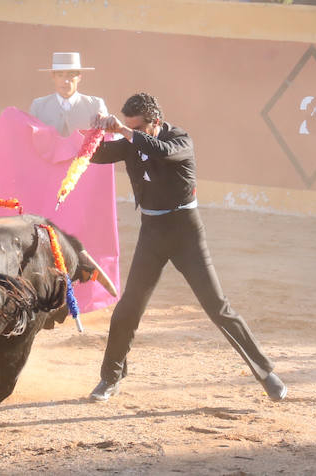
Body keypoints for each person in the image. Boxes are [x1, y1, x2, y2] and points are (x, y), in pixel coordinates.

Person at [87, 92, 286, 404]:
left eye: (138, 128)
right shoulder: (133, 141)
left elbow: (161, 151)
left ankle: (265, 372)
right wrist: (91, 127)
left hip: (185, 233)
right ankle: (110, 378)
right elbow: (96, 154)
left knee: (216, 306)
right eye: (129, 127)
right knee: (129, 307)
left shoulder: (179, 140)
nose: (132, 132)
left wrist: (126, 132)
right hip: (152, 233)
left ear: (157, 123)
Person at [29, 52, 106, 135]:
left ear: (79, 77)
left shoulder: (94, 105)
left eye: (70, 75)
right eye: (60, 75)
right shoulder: (39, 106)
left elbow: (105, 137)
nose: (65, 81)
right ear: (53, 77)